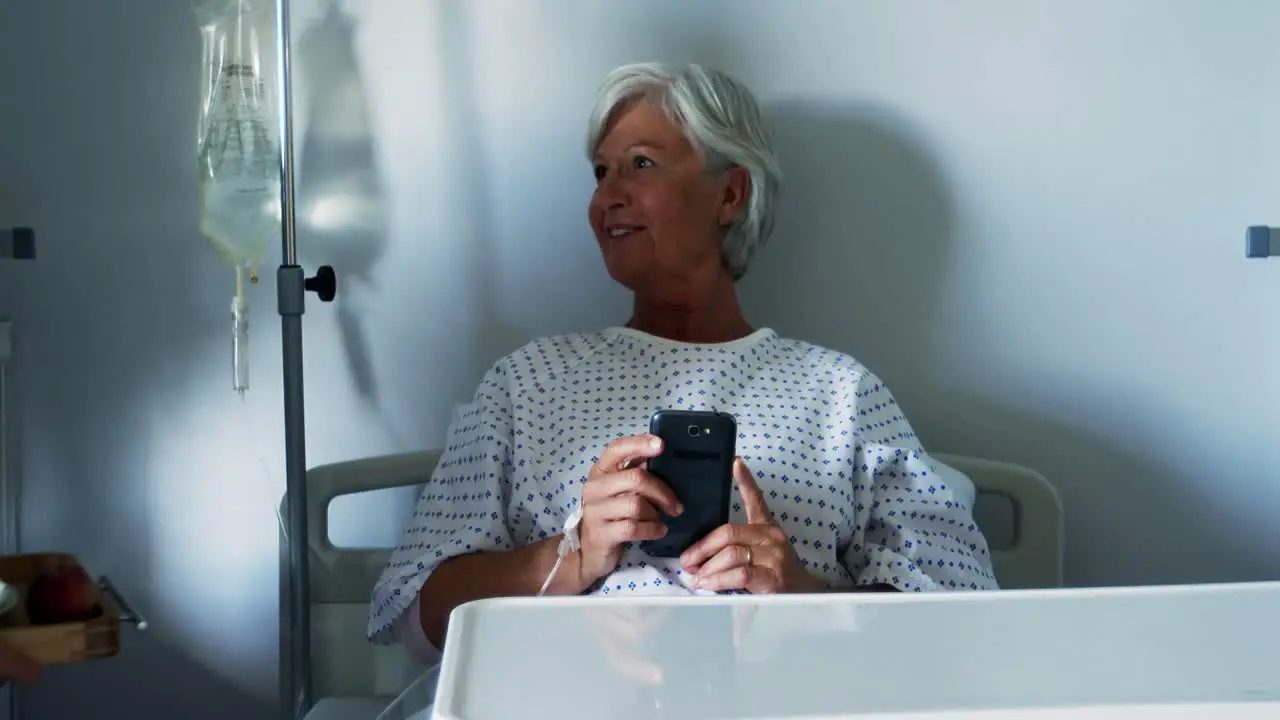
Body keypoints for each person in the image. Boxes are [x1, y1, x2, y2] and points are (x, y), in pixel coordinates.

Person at [368, 62, 999, 662]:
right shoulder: (528, 382)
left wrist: (803, 594)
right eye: (600, 173)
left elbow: (960, 611)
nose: (606, 199)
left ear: (730, 195)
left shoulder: (838, 392)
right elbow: (414, 619)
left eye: (640, 165)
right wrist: (574, 554)